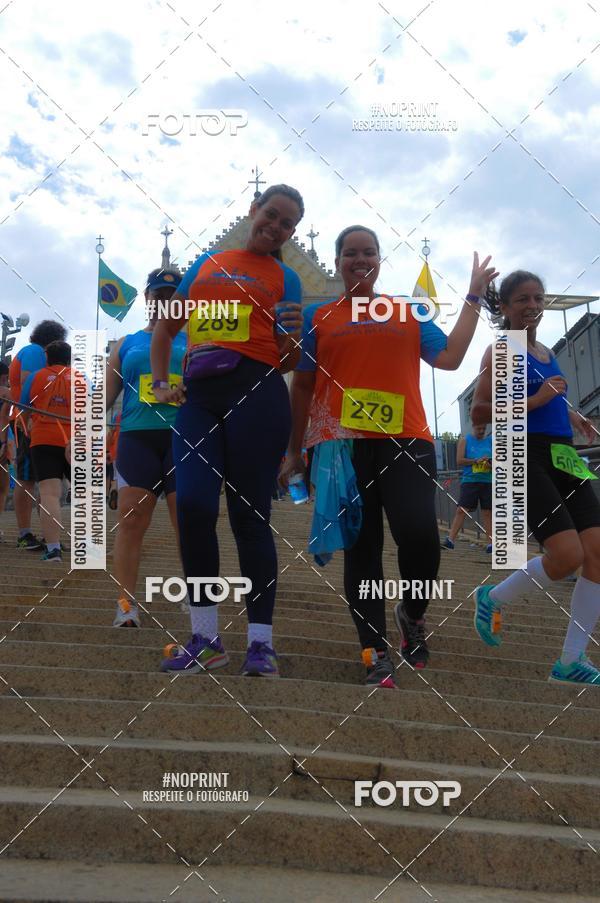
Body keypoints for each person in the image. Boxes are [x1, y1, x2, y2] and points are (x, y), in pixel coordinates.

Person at [283, 225, 497, 687]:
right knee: (362, 549)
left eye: (369, 252)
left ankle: (412, 614)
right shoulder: (319, 316)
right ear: (337, 262)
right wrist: (294, 451)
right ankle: (374, 651)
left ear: (379, 260)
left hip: (407, 439)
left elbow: (451, 357)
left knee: (419, 534)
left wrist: (473, 297)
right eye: (350, 253)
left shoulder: (406, 311)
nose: (360, 260)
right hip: (341, 447)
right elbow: (301, 386)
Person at [151, 184, 304, 677]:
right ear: (253, 210)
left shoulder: (286, 277)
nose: (275, 227)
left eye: (287, 224)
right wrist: (159, 382)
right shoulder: (206, 263)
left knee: (248, 516)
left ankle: (261, 644)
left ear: (292, 233)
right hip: (199, 396)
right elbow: (166, 328)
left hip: (258, 393)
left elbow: (288, 360)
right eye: (271, 214)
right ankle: (205, 639)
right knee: (193, 506)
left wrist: (293, 338)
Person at [470, 270, 600, 686]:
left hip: (562, 452)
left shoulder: (545, 351)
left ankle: (570, 661)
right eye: (522, 299)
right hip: (521, 453)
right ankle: (491, 597)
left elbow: (549, 397)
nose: (532, 306)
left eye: (538, 298)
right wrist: (539, 399)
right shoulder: (502, 350)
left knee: (598, 551)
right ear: (505, 308)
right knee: (566, 557)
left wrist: (573, 416)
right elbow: (479, 411)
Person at [106, 268, 186, 627]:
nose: (165, 302)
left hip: (185, 439)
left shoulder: (195, 339)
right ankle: (126, 604)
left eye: (172, 296)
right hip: (137, 438)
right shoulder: (126, 343)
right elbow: (106, 396)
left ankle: (196, 597)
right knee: (131, 518)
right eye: (158, 295)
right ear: (147, 298)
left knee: (187, 521)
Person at [8, 320, 67, 550]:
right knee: (27, 479)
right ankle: (25, 534)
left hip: (37, 425)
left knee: (44, 482)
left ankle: (47, 536)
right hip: (29, 424)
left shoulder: (32, 352)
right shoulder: (34, 352)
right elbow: (28, 385)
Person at [21, 341, 72, 562]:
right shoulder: (82, 378)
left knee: (50, 493)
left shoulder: (36, 377)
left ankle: (53, 549)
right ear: (69, 358)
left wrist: (26, 429)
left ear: (47, 357)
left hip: (43, 439)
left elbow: (23, 408)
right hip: (76, 440)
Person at [443, 423, 492, 552]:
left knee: (487, 512)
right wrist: (475, 461)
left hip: (487, 481)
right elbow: (459, 460)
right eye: (479, 428)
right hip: (470, 480)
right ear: (473, 426)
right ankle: (450, 540)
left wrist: (489, 464)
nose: (481, 431)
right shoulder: (465, 440)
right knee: (461, 510)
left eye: (484, 428)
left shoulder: (491, 441)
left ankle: (491, 544)